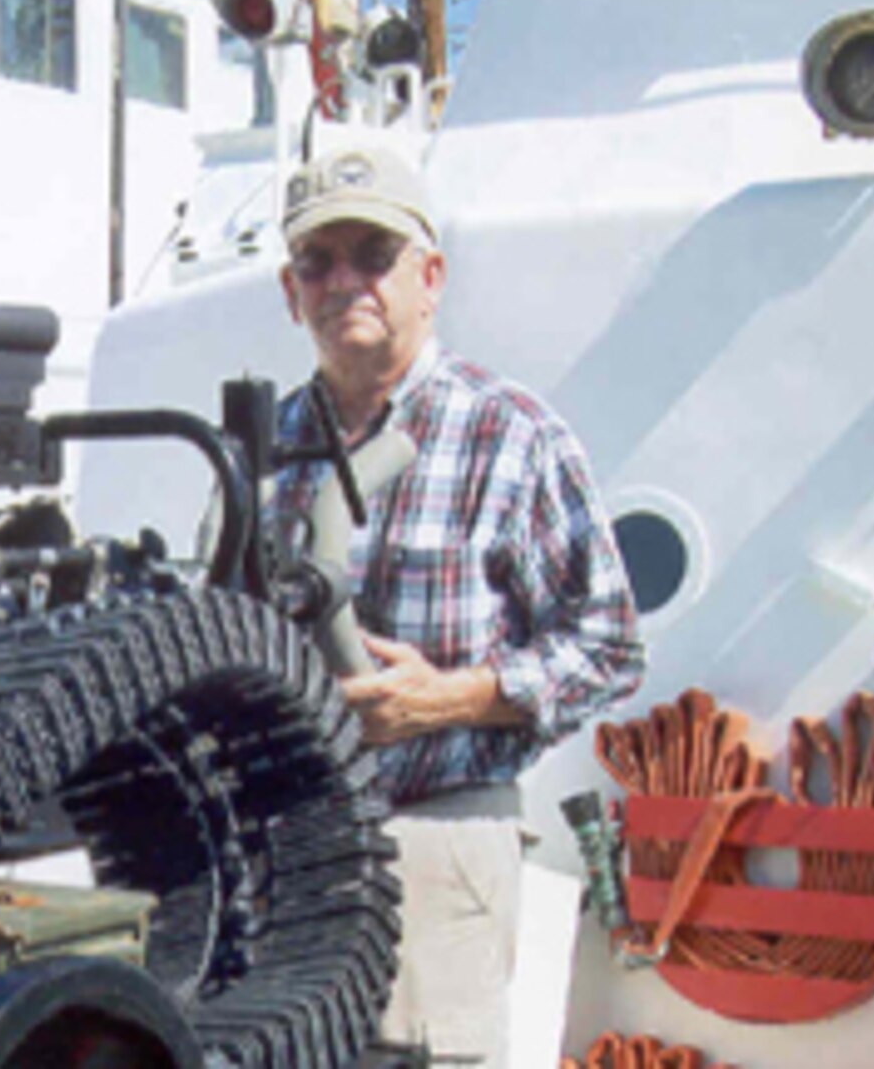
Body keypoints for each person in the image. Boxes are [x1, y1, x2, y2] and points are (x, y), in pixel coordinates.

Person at [267, 145, 644, 1066]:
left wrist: (454, 697)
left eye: (373, 252)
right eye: (319, 260)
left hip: (435, 838)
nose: (344, 279)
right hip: (282, 850)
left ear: (429, 278)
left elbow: (609, 644)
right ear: (291, 290)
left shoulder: (511, 434)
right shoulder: (267, 442)